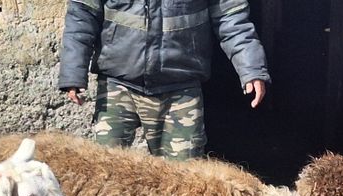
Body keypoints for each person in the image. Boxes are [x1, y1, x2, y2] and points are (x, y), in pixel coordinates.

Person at [59, 0, 270, 161]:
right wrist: (73, 73)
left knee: (187, 183)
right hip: (117, 85)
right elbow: (81, 16)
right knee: (103, 175)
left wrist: (251, 68)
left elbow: (231, 18)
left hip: (180, 90)